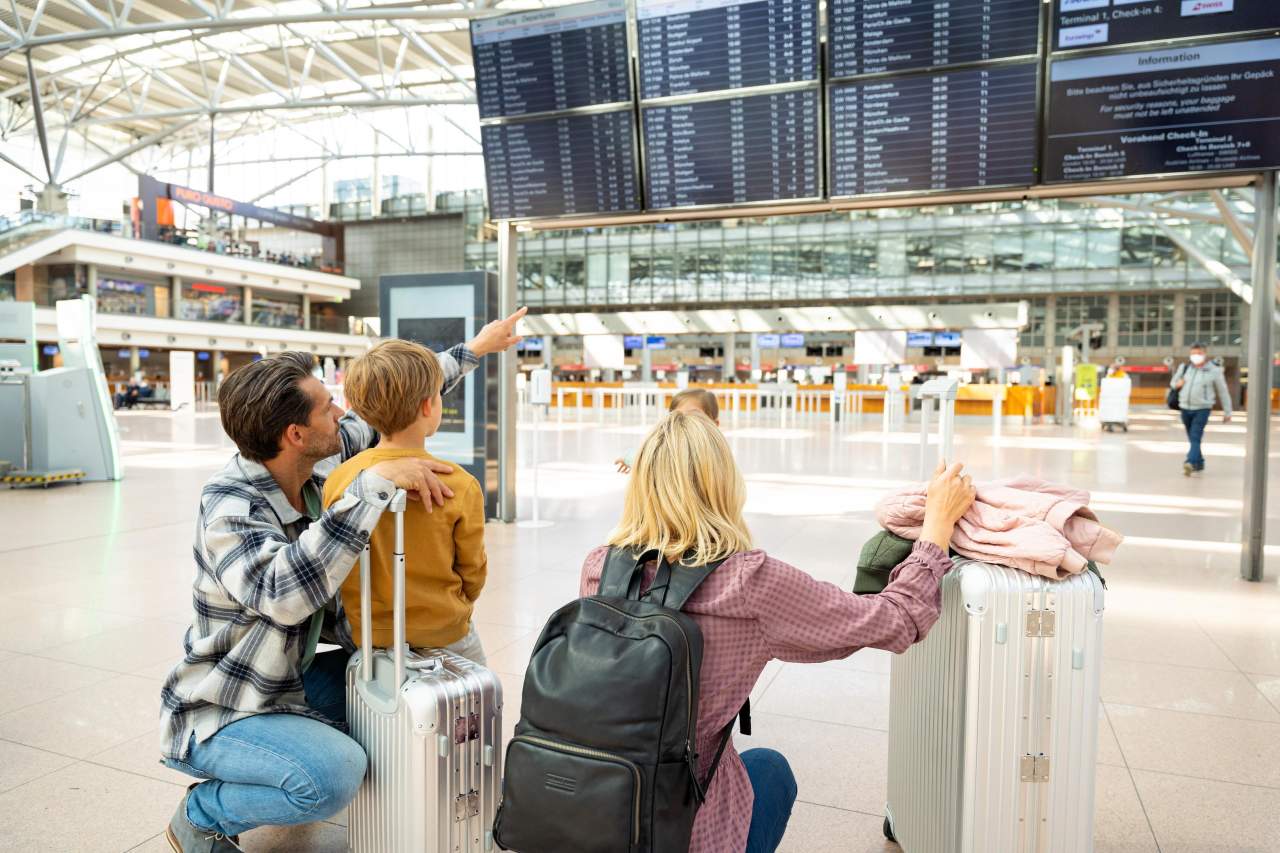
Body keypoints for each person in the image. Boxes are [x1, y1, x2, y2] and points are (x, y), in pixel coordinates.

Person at [157, 308, 525, 852]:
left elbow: (400, 397)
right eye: (331, 408)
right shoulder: (229, 506)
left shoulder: (317, 461)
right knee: (332, 776)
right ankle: (203, 811)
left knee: (401, 705)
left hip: (295, 678)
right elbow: (285, 596)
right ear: (296, 433)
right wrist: (370, 489)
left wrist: (477, 347)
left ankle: (290, 753)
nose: (345, 415)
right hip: (228, 701)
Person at [581, 412, 976, 853]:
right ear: (724, 484)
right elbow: (897, 619)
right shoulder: (747, 583)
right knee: (770, 769)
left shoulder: (601, 567)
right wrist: (937, 527)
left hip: (592, 812)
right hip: (683, 834)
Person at [323, 339, 489, 665]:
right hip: (446, 632)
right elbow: (473, 573)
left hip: (369, 635)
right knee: (479, 698)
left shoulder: (341, 479)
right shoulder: (459, 484)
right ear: (429, 406)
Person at [615, 388, 721, 473]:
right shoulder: (674, 445)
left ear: (714, 424)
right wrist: (632, 458)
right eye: (676, 416)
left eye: (694, 415)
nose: (684, 421)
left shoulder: (716, 455)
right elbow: (658, 463)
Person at [1170, 342, 1232, 476]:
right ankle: (1199, 462)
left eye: (1199, 353)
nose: (1195, 356)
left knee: (1195, 436)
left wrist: (1228, 411)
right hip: (1185, 407)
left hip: (1203, 408)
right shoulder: (1185, 368)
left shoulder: (1214, 370)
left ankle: (1190, 462)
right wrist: (1178, 384)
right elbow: (1173, 383)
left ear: (1205, 354)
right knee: (1192, 438)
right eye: (1193, 354)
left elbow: (1223, 391)